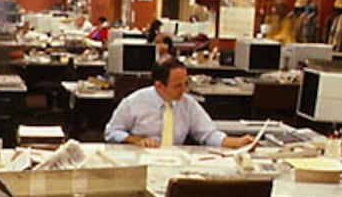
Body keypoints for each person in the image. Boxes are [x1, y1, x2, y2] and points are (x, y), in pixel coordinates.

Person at [105, 58, 254, 149]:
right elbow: (111, 132)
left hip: (174, 161)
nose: (184, 90)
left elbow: (208, 134)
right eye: (177, 86)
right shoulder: (134, 102)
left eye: (185, 83)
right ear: (159, 86)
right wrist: (137, 140)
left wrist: (236, 142)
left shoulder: (188, 104)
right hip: (141, 161)